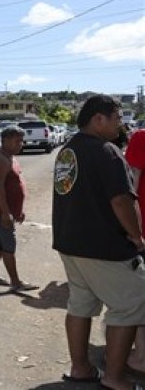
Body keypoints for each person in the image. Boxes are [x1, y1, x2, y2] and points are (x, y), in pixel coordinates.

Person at [53, 95, 145, 390]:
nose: (121, 125)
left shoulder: (68, 150)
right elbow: (121, 201)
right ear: (99, 119)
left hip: (71, 244)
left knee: (80, 305)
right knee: (131, 305)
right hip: (105, 247)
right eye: (117, 118)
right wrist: (136, 236)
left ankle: (81, 368)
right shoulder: (107, 151)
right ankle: (115, 377)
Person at [0, 126, 38, 292]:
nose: (20, 144)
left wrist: (18, 210)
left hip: (5, 211)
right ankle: (16, 282)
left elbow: (14, 185)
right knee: (7, 246)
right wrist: (6, 214)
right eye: (17, 141)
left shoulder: (10, 157)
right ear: (5, 140)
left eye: (22, 140)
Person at [125, 128, 145, 376]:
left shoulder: (141, 137)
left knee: (139, 295)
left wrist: (128, 229)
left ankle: (141, 357)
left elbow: (131, 183)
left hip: (142, 231)